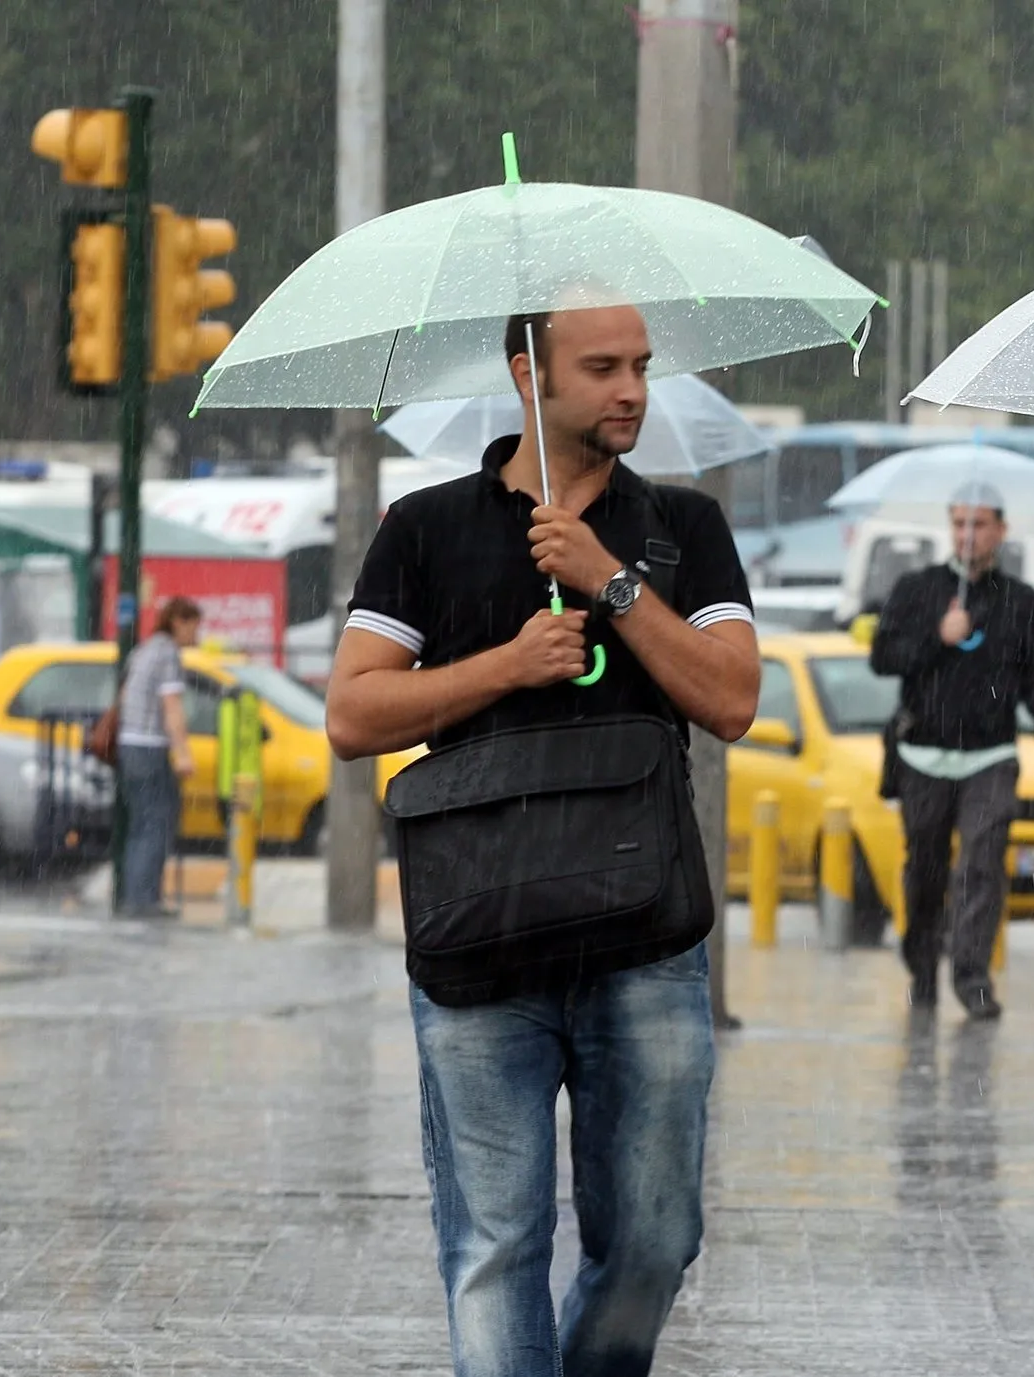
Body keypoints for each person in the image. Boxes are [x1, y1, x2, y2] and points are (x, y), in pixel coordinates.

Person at [325, 297, 759, 1377]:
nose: (630, 391)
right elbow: (351, 716)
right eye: (602, 367)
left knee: (657, 1240)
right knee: (493, 1245)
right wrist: (506, 666)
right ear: (527, 372)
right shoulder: (424, 528)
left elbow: (732, 699)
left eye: (640, 368)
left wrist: (611, 584)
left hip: (644, 941)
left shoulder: (681, 528)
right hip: (480, 940)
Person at [869, 480, 1034, 1020]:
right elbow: (883, 658)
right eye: (959, 523)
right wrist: (939, 636)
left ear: (1000, 531)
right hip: (922, 757)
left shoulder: (1019, 601)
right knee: (925, 870)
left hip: (991, 758)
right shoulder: (916, 589)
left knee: (982, 863)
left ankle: (972, 975)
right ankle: (923, 967)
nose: (968, 534)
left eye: (979, 524)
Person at [115, 596, 201, 918]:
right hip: (151, 746)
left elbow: (125, 695)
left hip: (129, 744)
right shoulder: (167, 654)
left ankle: (134, 895)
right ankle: (143, 901)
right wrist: (183, 753)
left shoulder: (144, 649)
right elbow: (172, 708)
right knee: (156, 824)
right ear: (179, 621)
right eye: (194, 625)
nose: (197, 634)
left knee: (140, 824)